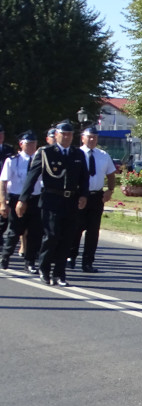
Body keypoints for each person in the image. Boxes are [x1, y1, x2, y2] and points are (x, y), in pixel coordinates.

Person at [17, 120, 88, 286]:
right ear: (56, 135)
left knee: (67, 237)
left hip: (70, 201)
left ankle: (60, 274)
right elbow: (31, 177)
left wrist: (84, 195)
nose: (67, 137)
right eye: (64, 134)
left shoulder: (77, 154)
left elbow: (84, 178)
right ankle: (45, 268)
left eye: (70, 134)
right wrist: (23, 199)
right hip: (51, 200)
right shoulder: (45, 152)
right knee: (52, 235)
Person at [68, 125, 116, 273]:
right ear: (82, 138)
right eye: (89, 136)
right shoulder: (75, 154)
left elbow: (111, 174)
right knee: (75, 228)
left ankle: (88, 262)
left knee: (93, 231)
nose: (92, 139)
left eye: (94, 137)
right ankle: (71, 256)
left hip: (96, 197)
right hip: (79, 196)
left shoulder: (103, 155)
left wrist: (110, 190)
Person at [0, 130, 43, 271]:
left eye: (34, 144)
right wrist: (3, 202)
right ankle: (5, 256)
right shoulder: (12, 160)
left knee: (34, 232)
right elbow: (3, 182)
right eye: (28, 144)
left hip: (35, 199)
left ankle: (29, 261)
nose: (31, 146)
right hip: (16, 198)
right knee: (14, 230)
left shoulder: (41, 160)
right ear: (21, 144)